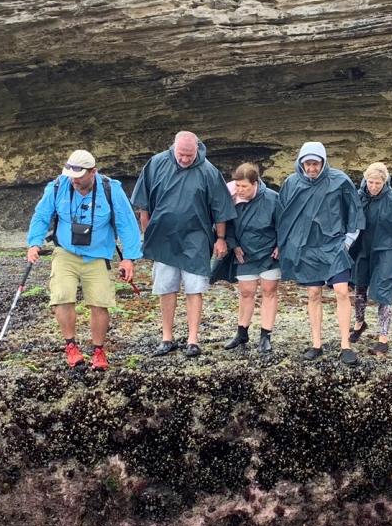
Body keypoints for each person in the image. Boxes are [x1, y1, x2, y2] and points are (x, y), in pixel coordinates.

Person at [25, 149, 142, 371]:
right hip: (65, 252)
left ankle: (98, 351)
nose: (75, 182)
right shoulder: (58, 186)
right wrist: (34, 243)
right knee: (61, 296)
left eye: (79, 178)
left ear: (93, 172)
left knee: (100, 302)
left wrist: (129, 258)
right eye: (72, 177)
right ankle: (71, 346)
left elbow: (127, 224)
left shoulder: (110, 189)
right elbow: (41, 215)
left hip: (97, 255)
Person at [131, 130, 237, 358]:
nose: (186, 159)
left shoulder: (209, 171)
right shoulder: (157, 163)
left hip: (196, 239)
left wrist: (220, 238)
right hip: (164, 237)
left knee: (194, 288)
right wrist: (147, 230)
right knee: (166, 287)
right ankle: (167, 337)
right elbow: (143, 203)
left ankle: (192, 339)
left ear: (197, 149)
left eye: (190, 155)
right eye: (181, 154)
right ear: (174, 147)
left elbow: (220, 208)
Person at [276, 141, 365, 365]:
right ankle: (316, 343)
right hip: (307, 248)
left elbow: (354, 211)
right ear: (301, 163)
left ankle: (345, 345)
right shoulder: (292, 183)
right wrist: (285, 244)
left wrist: (347, 241)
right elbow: (282, 216)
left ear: (323, 162)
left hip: (334, 245)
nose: (312, 168)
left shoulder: (340, 180)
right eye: (308, 164)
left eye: (316, 163)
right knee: (314, 294)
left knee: (342, 291)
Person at [349, 162, 392, 355]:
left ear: (385, 181)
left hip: (387, 250)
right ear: (365, 180)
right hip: (363, 248)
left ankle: (383, 338)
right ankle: (359, 324)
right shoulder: (359, 196)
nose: (373, 187)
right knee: (359, 288)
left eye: (377, 183)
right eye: (370, 182)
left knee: (383, 292)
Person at [212, 163, 280, 353]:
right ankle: (242, 333)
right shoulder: (232, 197)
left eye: (244, 187)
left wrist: (280, 245)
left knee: (269, 291)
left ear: (255, 183)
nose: (240, 190)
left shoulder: (273, 199)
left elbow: (283, 224)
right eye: (238, 186)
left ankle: (266, 336)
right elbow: (227, 224)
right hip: (245, 252)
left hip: (269, 251)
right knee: (246, 291)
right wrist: (234, 245)